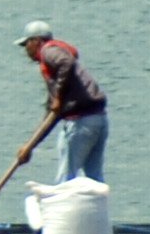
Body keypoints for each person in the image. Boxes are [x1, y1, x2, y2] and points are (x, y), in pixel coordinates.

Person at [19, 20, 108, 182]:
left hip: (80, 123)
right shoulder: (57, 74)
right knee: (94, 180)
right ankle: (94, 207)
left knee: (65, 179)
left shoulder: (48, 51)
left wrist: (59, 97)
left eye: (27, 44)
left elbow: (65, 62)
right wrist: (30, 146)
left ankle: (62, 207)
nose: (26, 50)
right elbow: (51, 114)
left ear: (37, 41)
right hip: (98, 119)